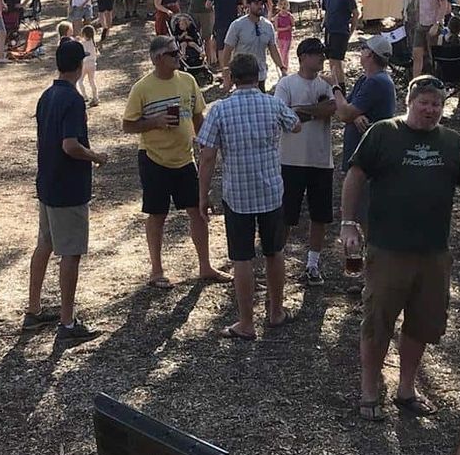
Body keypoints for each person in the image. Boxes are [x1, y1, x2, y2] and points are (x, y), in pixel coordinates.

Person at [341, 75, 460, 420]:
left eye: (437, 104)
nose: (430, 109)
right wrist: (348, 222)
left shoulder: (451, 141)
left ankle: (406, 390)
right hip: (388, 250)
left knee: (422, 324)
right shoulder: (383, 133)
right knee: (378, 322)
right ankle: (369, 391)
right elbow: (355, 176)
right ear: (409, 102)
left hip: (434, 252)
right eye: (424, 102)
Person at [197, 52, 301, 337]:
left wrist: (203, 194)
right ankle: (276, 312)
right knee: (274, 252)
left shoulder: (220, 109)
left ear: (232, 78)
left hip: (238, 195)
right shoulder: (273, 103)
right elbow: (295, 125)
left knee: (241, 258)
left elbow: (207, 156)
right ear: (259, 76)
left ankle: (246, 322)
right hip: (271, 191)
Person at [122, 35, 222, 288]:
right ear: (158, 59)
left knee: (198, 211)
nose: (179, 56)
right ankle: (156, 271)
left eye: (178, 51)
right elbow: (128, 125)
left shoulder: (187, 81)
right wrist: (154, 122)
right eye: (173, 53)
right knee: (157, 214)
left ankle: (205, 266)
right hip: (154, 159)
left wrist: (205, 146)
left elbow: (198, 117)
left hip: (185, 158)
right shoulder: (142, 88)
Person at [26, 38, 107, 345]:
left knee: (44, 244)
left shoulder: (47, 95)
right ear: (79, 65)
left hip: (47, 181)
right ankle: (67, 322)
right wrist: (96, 156)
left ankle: (34, 310)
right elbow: (70, 145)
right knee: (71, 253)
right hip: (68, 186)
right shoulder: (73, 99)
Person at [272, 38, 337, 285]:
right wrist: (315, 110)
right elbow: (282, 116)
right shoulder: (286, 84)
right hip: (290, 160)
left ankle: (312, 264)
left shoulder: (327, 84)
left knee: (320, 215)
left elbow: (333, 109)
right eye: (316, 53)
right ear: (302, 57)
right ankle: (276, 261)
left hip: (321, 160)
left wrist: (302, 110)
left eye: (322, 53)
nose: (321, 57)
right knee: (286, 215)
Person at [331, 33, 398, 228]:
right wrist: (354, 115)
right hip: (359, 157)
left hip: (370, 160)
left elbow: (344, 112)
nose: (360, 52)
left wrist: (335, 86)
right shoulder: (365, 79)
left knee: (367, 215)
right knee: (360, 214)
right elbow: (343, 110)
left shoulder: (377, 82)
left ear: (370, 54)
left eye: (363, 48)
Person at [219, 0, 285, 91]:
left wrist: (282, 68)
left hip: (260, 74)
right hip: (241, 75)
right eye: (256, 3)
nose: (260, 6)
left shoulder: (268, 26)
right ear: (249, 5)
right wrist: (226, 73)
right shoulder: (237, 25)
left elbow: (273, 49)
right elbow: (227, 49)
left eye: (262, 4)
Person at [405, 0, 450, 78]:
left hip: (432, 25)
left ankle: (437, 79)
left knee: (433, 55)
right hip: (421, 24)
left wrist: (437, 23)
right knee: (417, 54)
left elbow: (443, 5)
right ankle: (415, 81)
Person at [319, 0, 358, 87]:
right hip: (329, 31)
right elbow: (327, 12)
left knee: (337, 61)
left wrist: (352, 30)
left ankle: (341, 87)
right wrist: (323, 24)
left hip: (340, 31)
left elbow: (355, 13)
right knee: (331, 60)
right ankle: (335, 86)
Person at [207, 0, 241, 68]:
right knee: (232, 46)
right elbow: (239, 9)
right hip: (233, 22)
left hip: (219, 22)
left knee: (221, 47)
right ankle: (232, 67)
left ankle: (223, 69)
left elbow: (207, 5)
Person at [80, 24, 99, 105]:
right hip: (92, 64)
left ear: (84, 34)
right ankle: (95, 97)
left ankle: (85, 96)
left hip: (84, 64)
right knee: (92, 81)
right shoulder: (93, 43)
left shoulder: (83, 43)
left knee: (80, 81)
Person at [274, 0, 295, 70]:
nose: (283, 6)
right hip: (280, 37)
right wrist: (286, 28)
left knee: (285, 53)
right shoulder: (277, 17)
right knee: (282, 52)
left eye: (285, 4)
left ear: (287, 6)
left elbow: (293, 25)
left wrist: (292, 28)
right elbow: (276, 28)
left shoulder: (290, 16)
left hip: (288, 37)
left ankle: (283, 67)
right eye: (281, 4)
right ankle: (285, 68)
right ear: (278, 6)